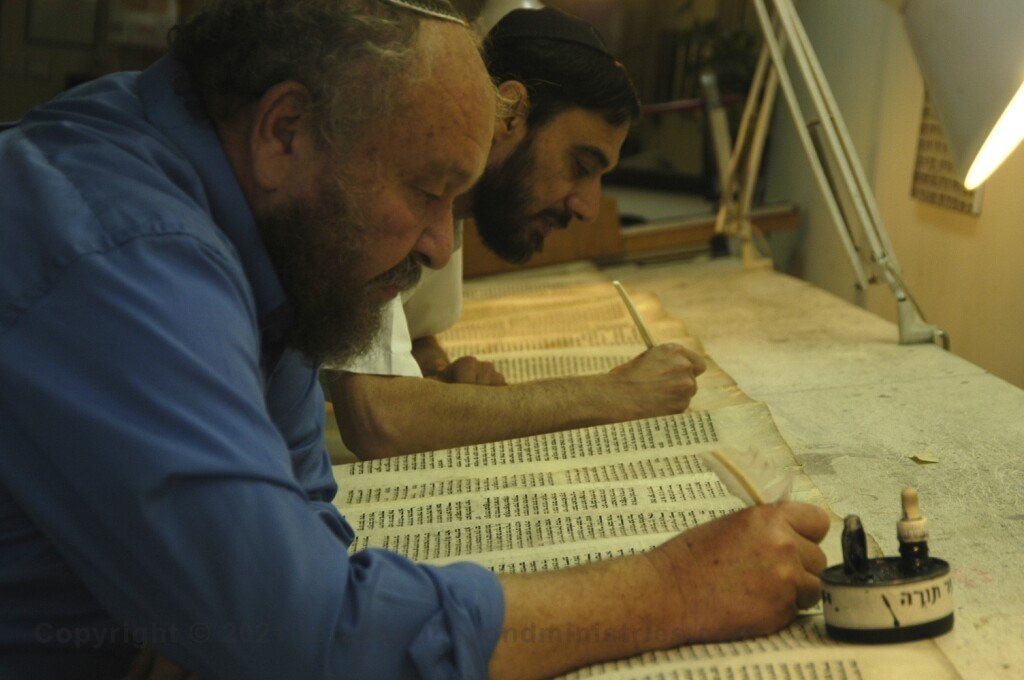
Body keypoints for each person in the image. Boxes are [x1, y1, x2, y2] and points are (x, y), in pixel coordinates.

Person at [0, 1, 829, 678]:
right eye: (427, 190)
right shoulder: (124, 249)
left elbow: (303, 531)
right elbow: (306, 630)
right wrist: (671, 591)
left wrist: (234, 619)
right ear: (285, 130)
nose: (439, 245)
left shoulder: (276, 246)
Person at [324, 7, 709, 460]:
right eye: (579, 166)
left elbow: (413, 333)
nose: (587, 208)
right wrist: (615, 394)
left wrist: (440, 375)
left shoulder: (458, 210)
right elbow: (382, 418)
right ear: (509, 114)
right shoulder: (396, 187)